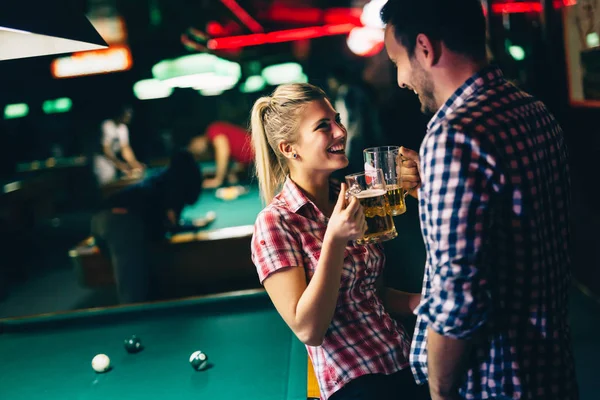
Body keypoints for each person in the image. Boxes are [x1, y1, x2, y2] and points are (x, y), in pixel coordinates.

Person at [381, 1, 578, 399]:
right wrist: (430, 188)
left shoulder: (453, 136)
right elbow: (511, 228)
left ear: (424, 48)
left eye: (397, 61)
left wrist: (440, 391)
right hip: (550, 366)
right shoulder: (533, 110)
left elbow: (457, 300)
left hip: (495, 380)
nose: (401, 80)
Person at [249, 83, 428, 400]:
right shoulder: (275, 223)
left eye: (337, 119)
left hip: (405, 359)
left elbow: (371, 293)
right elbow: (308, 329)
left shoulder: (353, 196)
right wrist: (334, 239)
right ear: (290, 149)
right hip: (357, 385)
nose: (340, 131)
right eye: (323, 126)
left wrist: (421, 302)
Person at [91, 149, 212, 304]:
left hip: (99, 221)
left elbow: (166, 223)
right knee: (133, 293)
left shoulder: (163, 179)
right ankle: (136, 322)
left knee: (139, 279)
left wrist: (190, 225)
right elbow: (170, 225)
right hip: (119, 221)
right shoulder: (175, 185)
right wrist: (193, 227)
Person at [188, 121, 253, 189]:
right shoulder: (212, 148)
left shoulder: (212, 129)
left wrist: (218, 180)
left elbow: (223, 152)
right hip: (253, 163)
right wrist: (231, 175)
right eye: (195, 152)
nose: (197, 150)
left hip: (259, 154)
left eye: (193, 146)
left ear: (195, 139)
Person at [93, 105, 144, 185]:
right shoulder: (107, 125)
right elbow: (105, 149)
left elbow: (125, 148)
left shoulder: (123, 128)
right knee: (106, 184)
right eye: (127, 115)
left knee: (115, 181)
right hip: (102, 160)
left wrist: (134, 163)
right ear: (120, 114)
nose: (129, 117)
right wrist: (120, 165)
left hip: (113, 158)